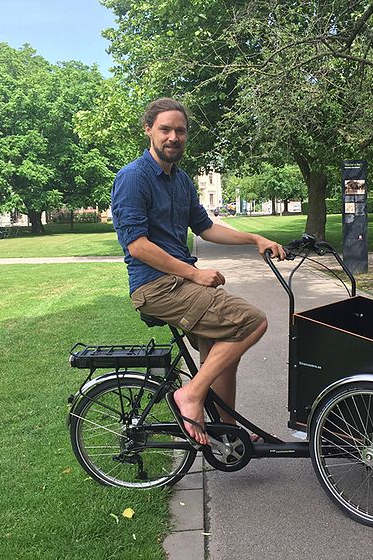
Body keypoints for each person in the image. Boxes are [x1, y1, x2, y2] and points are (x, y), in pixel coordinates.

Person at [111, 98, 285, 446]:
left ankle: (228, 434)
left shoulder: (181, 181)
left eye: (180, 130)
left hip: (178, 282)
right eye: (165, 129)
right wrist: (194, 275)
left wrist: (253, 238)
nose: (173, 137)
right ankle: (190, 395)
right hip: (156, 286)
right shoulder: (133, 178)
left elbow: (205, 227)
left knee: (223, 352)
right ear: (148, 130)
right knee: (252, 321)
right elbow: (137, 246)